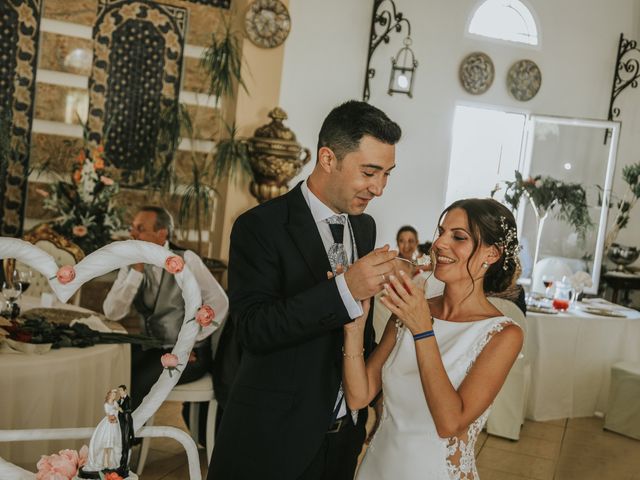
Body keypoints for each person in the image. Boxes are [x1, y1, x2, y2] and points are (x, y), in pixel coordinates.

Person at [208, 100, 401, 480]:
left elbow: (360, 327)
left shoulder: (365, 228)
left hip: (343, 439)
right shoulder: (259, 226)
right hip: (273, 439)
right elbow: (253, 328)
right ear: (328, 159)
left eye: (387, 174)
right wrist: (345, 288)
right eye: (369, 172)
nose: (378, 188)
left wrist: (369, 406)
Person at [343, 198, 524, 479]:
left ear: (492, 253)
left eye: (459, 237)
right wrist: (354, 327)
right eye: (441, 232)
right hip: (377, 468)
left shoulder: (503, 334)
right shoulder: (411, 310)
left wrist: (422, 330)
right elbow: (359, 396)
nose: (439, 244)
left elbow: (449, 423)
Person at [102, 206, 229, 416]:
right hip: (151, 347)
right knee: (115, 369)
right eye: (132, 228)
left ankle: (125, 442)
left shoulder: (186, 259)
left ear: (162, 233)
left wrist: (190, 342)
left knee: (138, 380)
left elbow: (220, 302)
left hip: (191, 355)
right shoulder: (132, 263)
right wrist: (136, 272)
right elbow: (112, 312)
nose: (132, 234)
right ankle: (112, 435)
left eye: (140, 229)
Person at [82, 389, 122, 474]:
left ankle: (110, 462)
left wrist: (119, 411)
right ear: (109, 395)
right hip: (109, 423)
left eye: (115, 395)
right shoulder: (106, 404)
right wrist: (112, 418)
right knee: (106, 442)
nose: (114, 396)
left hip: (115, 423)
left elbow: (118, 410)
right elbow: (108, 414)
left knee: (112, 443)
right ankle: (105, 462)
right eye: (113, 394)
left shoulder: (115, 403)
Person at [116, 385, 134, 475]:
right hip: (121, 423)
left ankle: (123, 465)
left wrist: (121, 410)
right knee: (122, 443)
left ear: (125, 390)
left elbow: (129, 410)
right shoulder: (120, 399)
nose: (120, 392)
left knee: (125, 443)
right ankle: (121, 463)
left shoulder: (129, 399)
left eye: (121, 391)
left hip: (126, 423)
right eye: (119, 391)